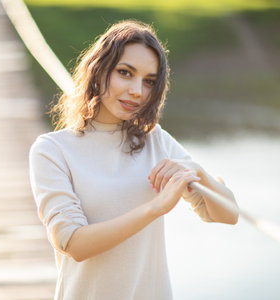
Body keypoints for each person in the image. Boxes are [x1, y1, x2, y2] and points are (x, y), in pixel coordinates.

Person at [29, 20, 238, 300]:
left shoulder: (156, 140)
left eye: (149, 81)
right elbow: (73, 243)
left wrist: (196, 171)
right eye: (125, 73)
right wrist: (155, 208)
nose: (137, 91)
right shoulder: (52, 150)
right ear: (99, 70)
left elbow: (228, 214)